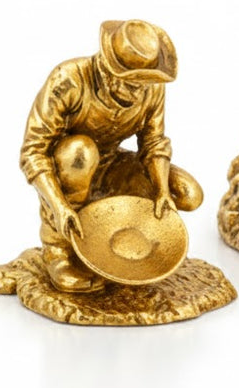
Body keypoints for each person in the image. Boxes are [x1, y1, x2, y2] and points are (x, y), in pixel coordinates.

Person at [20, 20, 203, 292]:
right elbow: (33, 151)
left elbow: (153, 142)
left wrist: (162, 190)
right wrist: (58, 206)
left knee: (188, 194)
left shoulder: (150, 87)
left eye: (143, 84)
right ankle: (58, 253)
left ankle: (112, 245)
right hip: (69, 167)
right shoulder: (68, 79)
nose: (139, 92)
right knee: (81, 152)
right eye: (131, 84)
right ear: (108, 71)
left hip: (112, 165)